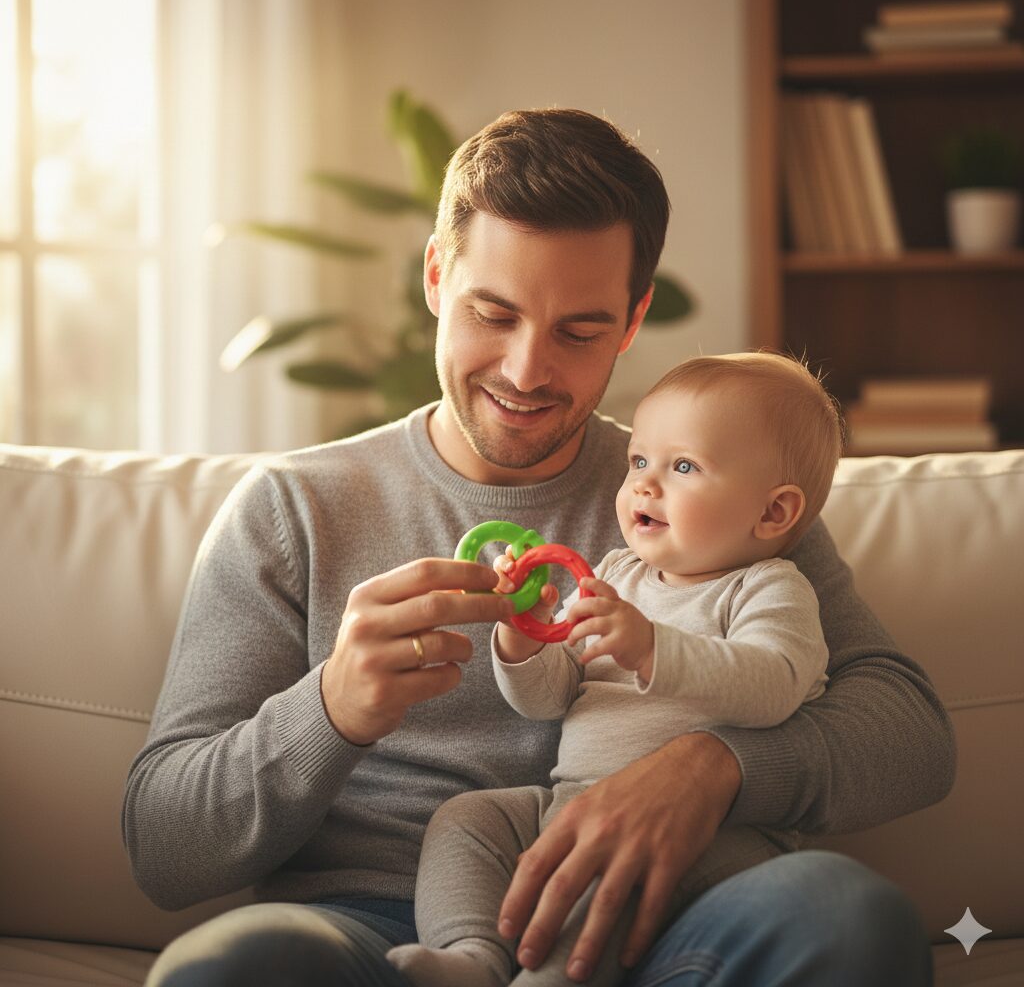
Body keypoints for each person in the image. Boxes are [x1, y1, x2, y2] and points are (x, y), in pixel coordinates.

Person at [123, 109, 952, 987]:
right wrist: (329, 709)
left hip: (656, 925)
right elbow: (165, 848)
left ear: (633, 322)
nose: (526, 370)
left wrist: (715, 769)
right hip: (378, 941)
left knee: (848, 918)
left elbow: (913, 734)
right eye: (495, 312)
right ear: (437, 277)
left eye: (580, 332)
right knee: (229, 969)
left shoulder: (709, 496)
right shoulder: (293, 511)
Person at [387, 352, 840, 987]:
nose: (645, 485)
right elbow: (550, 699)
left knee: (605, 876)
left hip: (710, 836)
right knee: (468, 819)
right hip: (571, 802)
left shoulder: (769, 589)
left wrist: (653, 648)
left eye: (682, 467)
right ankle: (474, 956)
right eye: (639, 462)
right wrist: (524, 639)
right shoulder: (618, 574)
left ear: (772, 513)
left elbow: (774, 684)